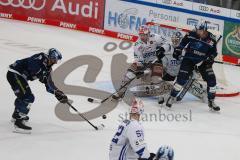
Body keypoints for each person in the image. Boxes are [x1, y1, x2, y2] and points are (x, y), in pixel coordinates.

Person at [7, 48, 68, 133]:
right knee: (28, 97)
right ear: (49, 56)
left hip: (19, 77)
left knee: (23, 95)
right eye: (53, 59)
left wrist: (58, 93)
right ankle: (18, 124)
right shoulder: (40, 57)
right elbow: (32, 65)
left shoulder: (48, 69)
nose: (54, 62)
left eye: (56, 60)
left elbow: (49, 84)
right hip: (15, 73)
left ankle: (17, 115)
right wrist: (41, 74)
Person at [165, 22, 220, 111]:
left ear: (205, 30)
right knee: (181, 79)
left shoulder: (212, 38)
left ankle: (211, 101)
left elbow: (214, 52)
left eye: (200, 30)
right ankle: (172, 97)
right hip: (189, 59)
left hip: (203, 61)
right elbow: (183, 42)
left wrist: (211, 57)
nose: (198, 31)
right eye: (197, 29)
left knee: (212, 81)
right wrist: (178, 49)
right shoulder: (191, 33)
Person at [112, 25, 167, 100]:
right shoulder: (138, 45)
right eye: (141, 35)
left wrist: (162, 51)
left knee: (156, 78)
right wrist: (141, 71)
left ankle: (160, 94)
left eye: (144, 34)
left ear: (148, 33)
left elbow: (167, 44)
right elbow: (139, 61)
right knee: (129, 75)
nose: (142, 37)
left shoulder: (156, 37)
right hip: (144, 62)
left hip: (157, 61)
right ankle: (120, 92)